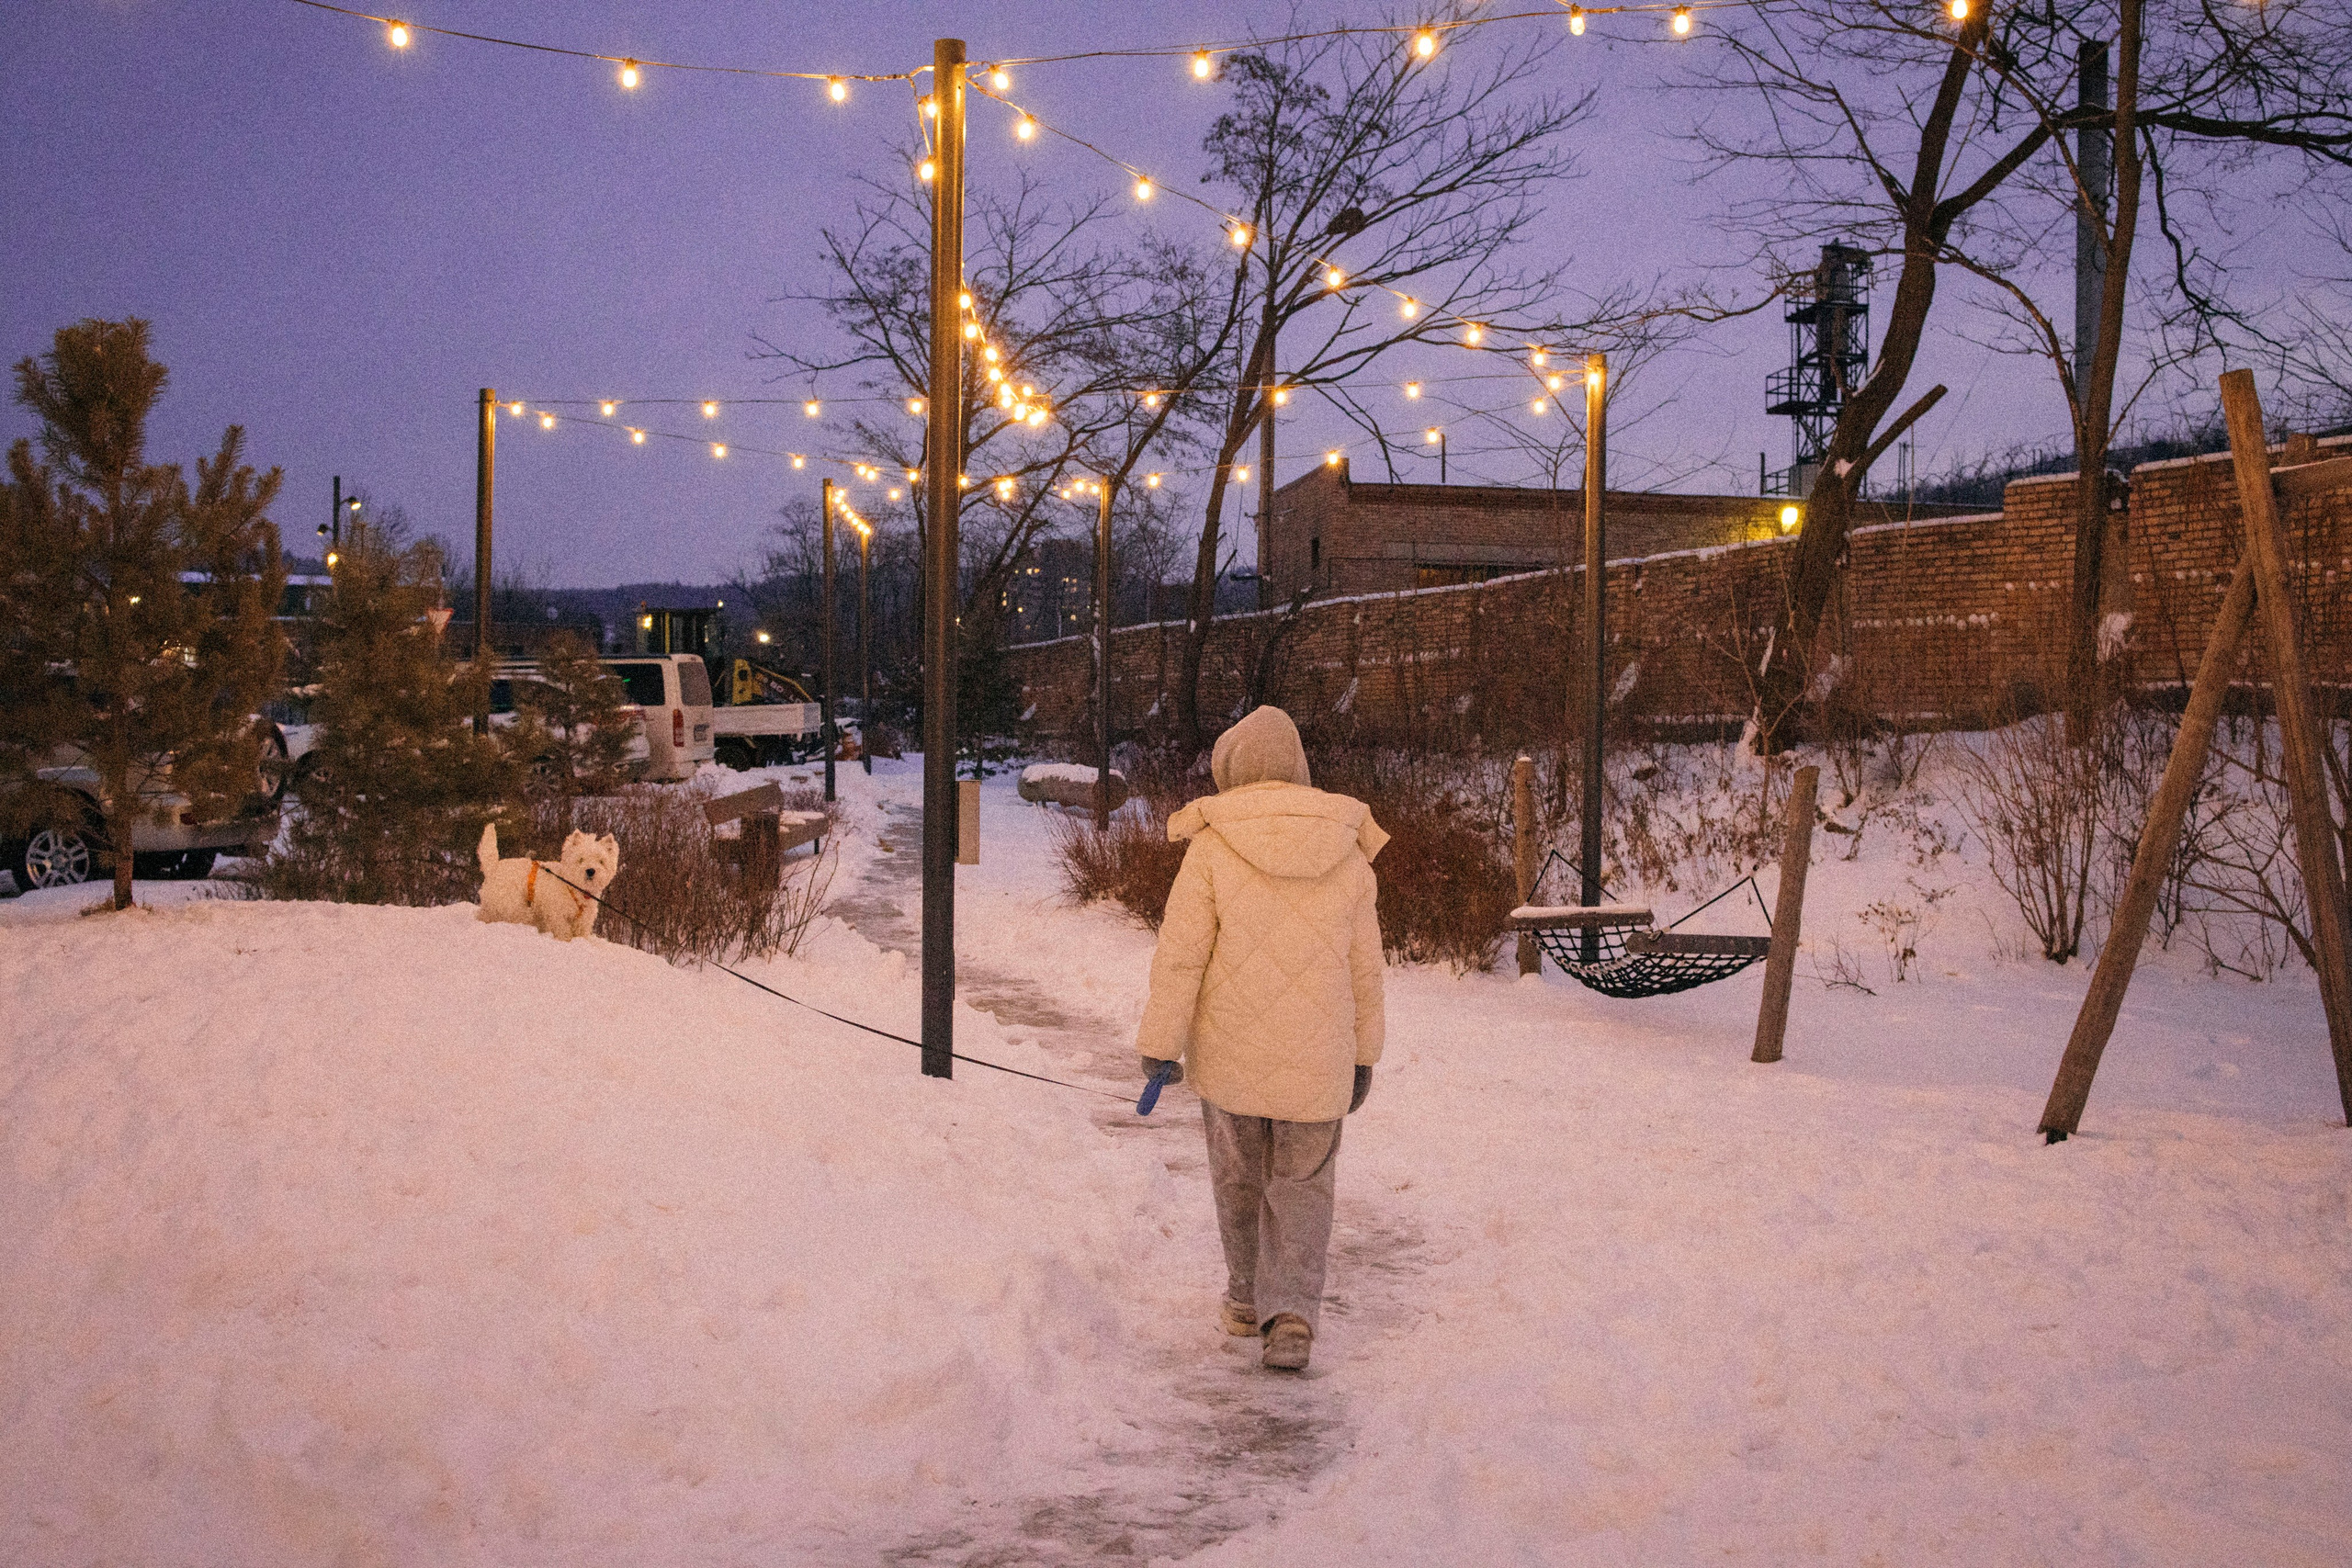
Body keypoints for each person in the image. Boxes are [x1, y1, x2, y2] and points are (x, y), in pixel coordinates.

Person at [1136, 705, 1386, 1372]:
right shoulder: (1348, 848)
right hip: (1319, 1061)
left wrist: (1160, 1045)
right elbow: (1367, 969)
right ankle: (1294, 1314)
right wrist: (1365, 1054)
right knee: (1304, 1184)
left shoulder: (1212, 847)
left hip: (1232, 1061)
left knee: (1239, 1177)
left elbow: (1181, 957)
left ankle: (1247, 1300)